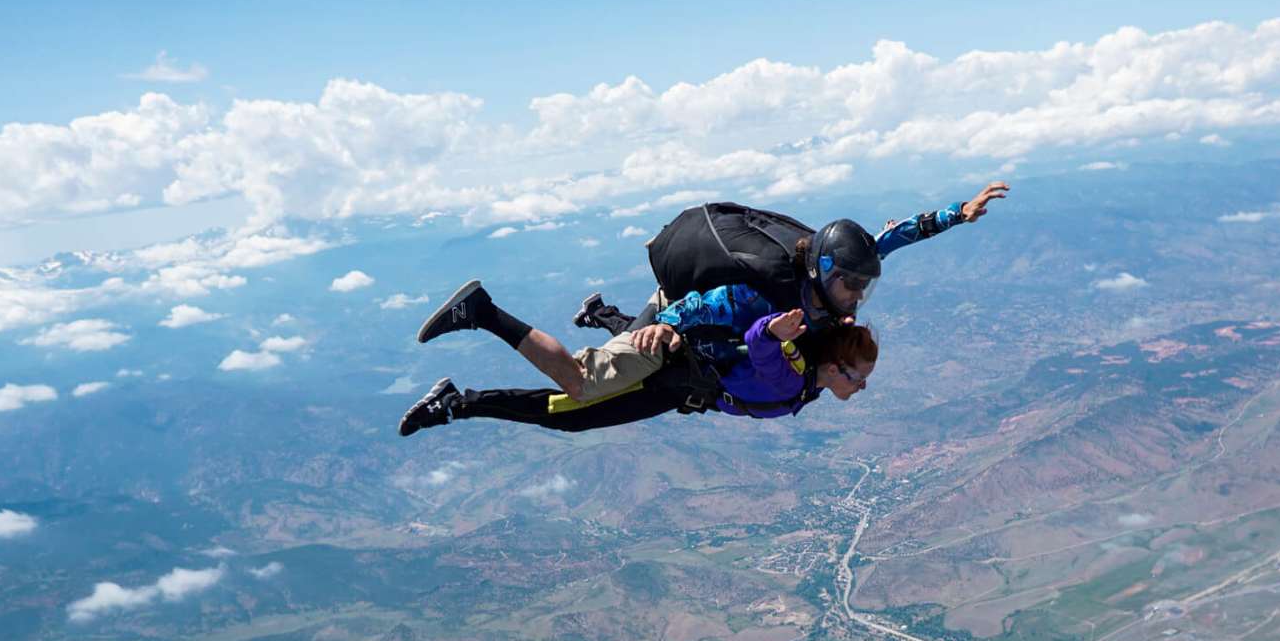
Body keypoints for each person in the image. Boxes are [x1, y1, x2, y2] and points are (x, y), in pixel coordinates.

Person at [405, 182, 1007, 407]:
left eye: (863, 285)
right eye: (853, 283)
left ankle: (603, 315)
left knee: (638, 349)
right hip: (683, 311)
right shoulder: (772, 296)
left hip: (685, 305)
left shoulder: (829, 277)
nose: (858, 295)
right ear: (826, 270)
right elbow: (703, 311)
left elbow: (885, 240)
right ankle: (480, 310)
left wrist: (956, 214)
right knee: (582, 387)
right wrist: (664, 328)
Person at [398, 308, 874, 435]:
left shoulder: (810, 376)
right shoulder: (793, 371)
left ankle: (600, 313)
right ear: (836, 367)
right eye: (857, 376)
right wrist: (774, 331)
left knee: (622, 353)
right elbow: (759, 344)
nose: (862, 386)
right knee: (571, 404)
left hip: (678, 381)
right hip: (669, 381)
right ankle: (458, 399)